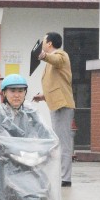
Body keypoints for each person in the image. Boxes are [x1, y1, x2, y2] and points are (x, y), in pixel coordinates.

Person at [32, 32, 75, 187]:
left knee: (62, 142)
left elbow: (55, 60)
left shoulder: (61, 55)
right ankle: (61, 175)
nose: (42, 42)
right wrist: (43, 96)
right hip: (57, 104)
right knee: (58, 141)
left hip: (62, 105)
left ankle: (65, 178)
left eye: (44, 40)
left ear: (49, 43)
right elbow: (58, 83)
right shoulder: (53, 60)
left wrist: (42, 55)